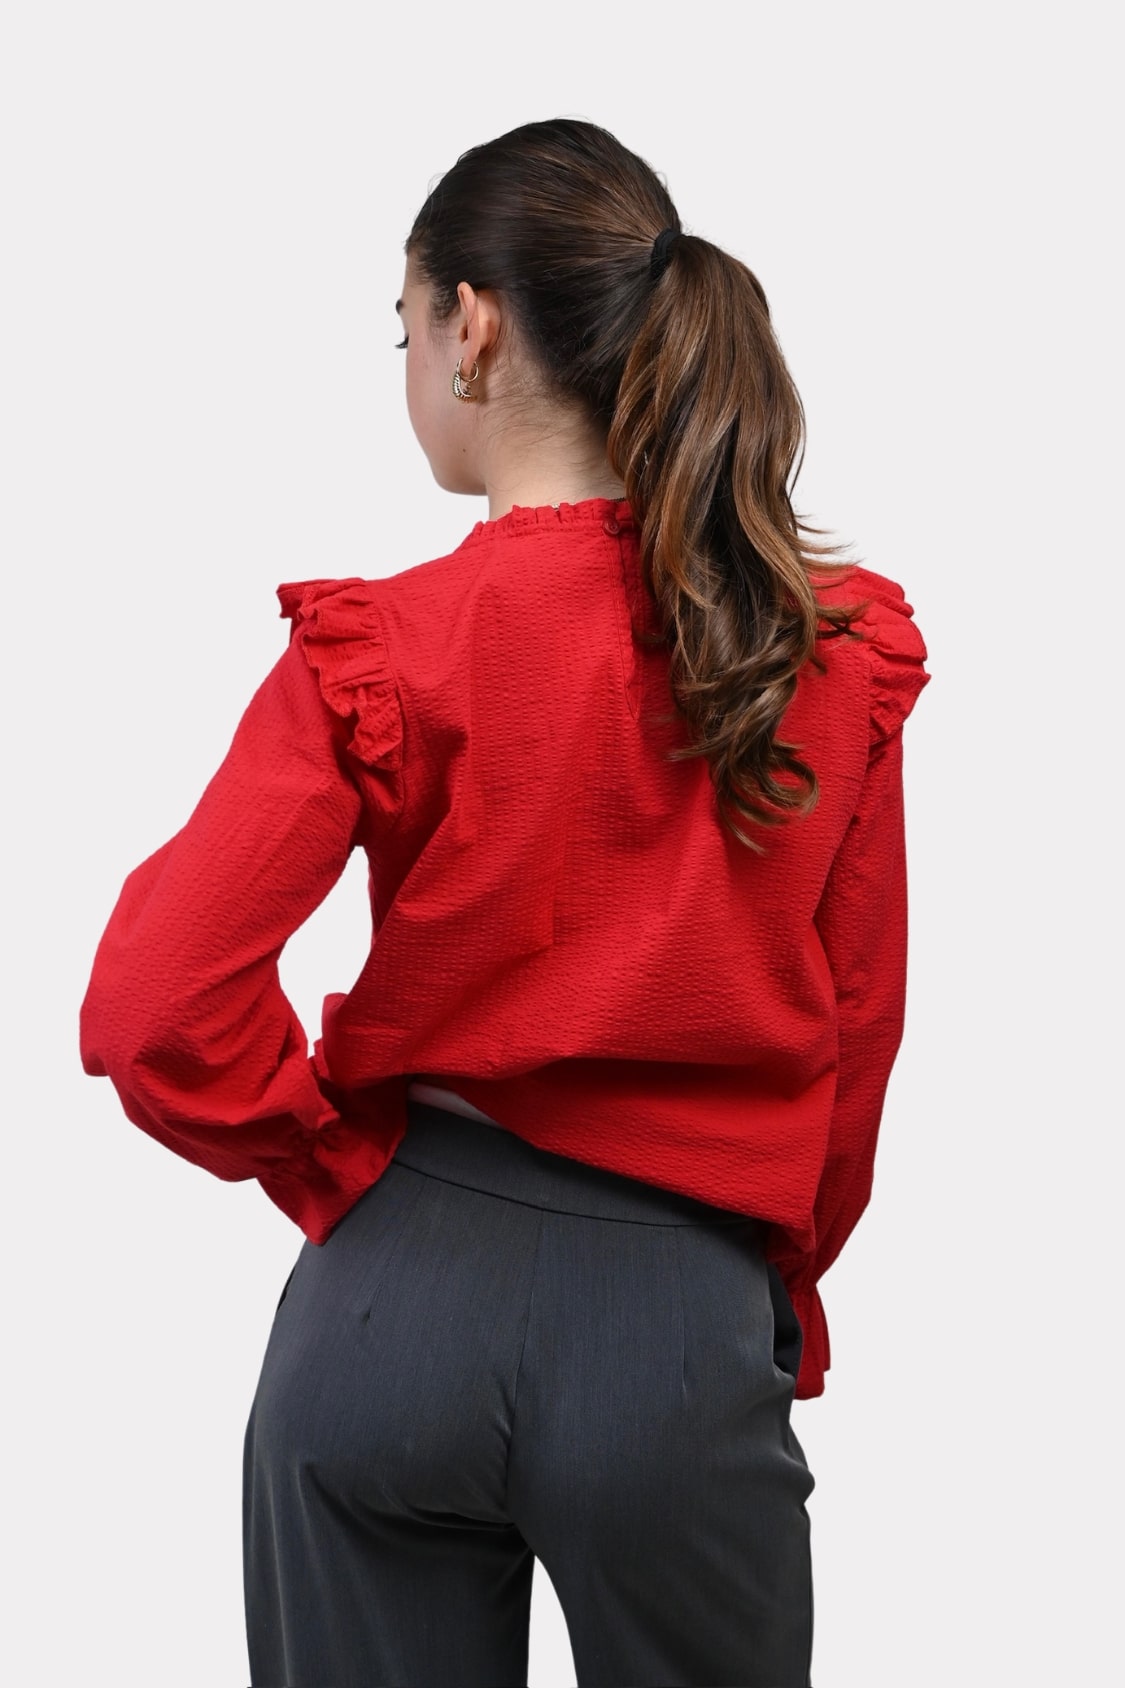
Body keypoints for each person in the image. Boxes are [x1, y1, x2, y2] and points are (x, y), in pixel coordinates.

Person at [79, 117, 931, 1688]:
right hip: (673, 1316)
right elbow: (857, 1026)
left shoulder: (384, 648)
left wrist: (330, 1165)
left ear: (468, 327)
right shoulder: (825, 652)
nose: (406, 360)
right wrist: (769, 1293)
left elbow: (153, 1001)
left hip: (382, 1306)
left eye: (400, 324)